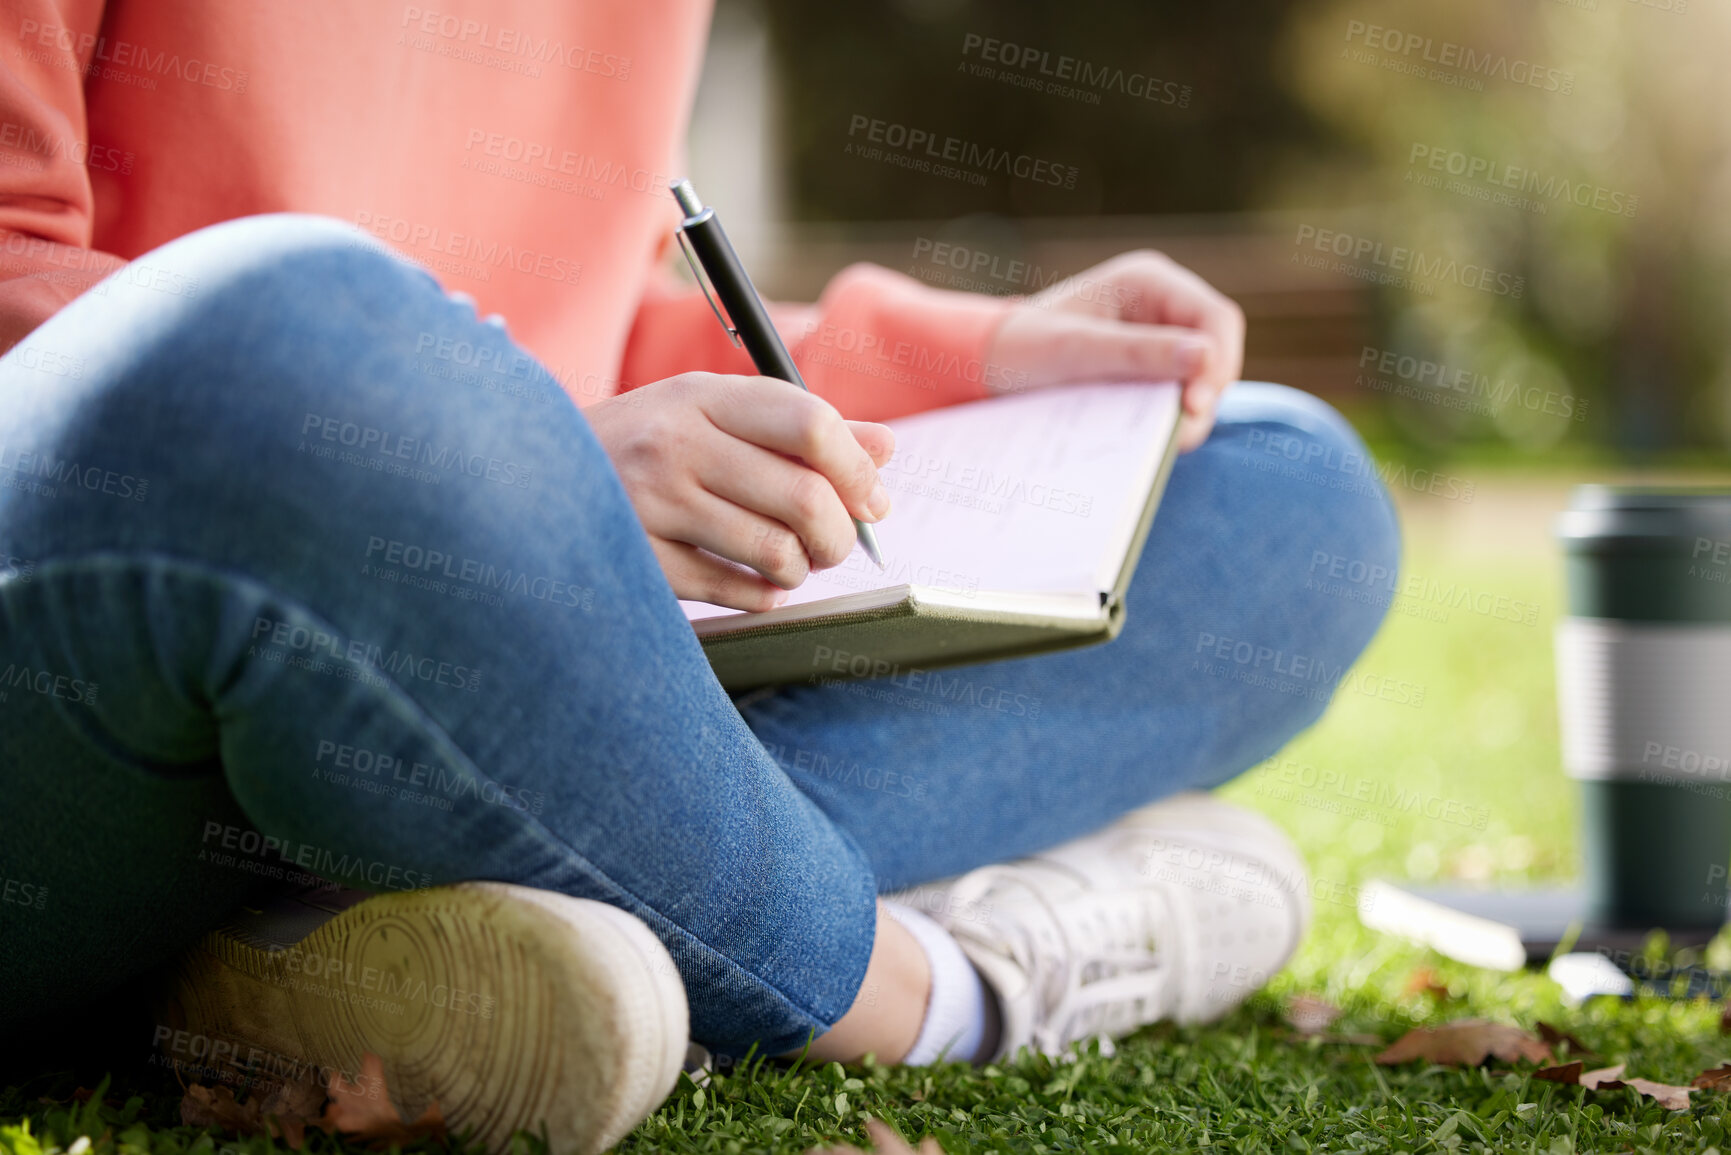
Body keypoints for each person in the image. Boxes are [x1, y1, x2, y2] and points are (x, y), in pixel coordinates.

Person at [0, 2, 1399, 1151]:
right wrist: (511, 466)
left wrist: (981, 359)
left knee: (1287, 489)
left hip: (490, 650)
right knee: (284, 328)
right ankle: (937, 988)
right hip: (128, 639)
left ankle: (354, 928)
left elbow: (595, 327)